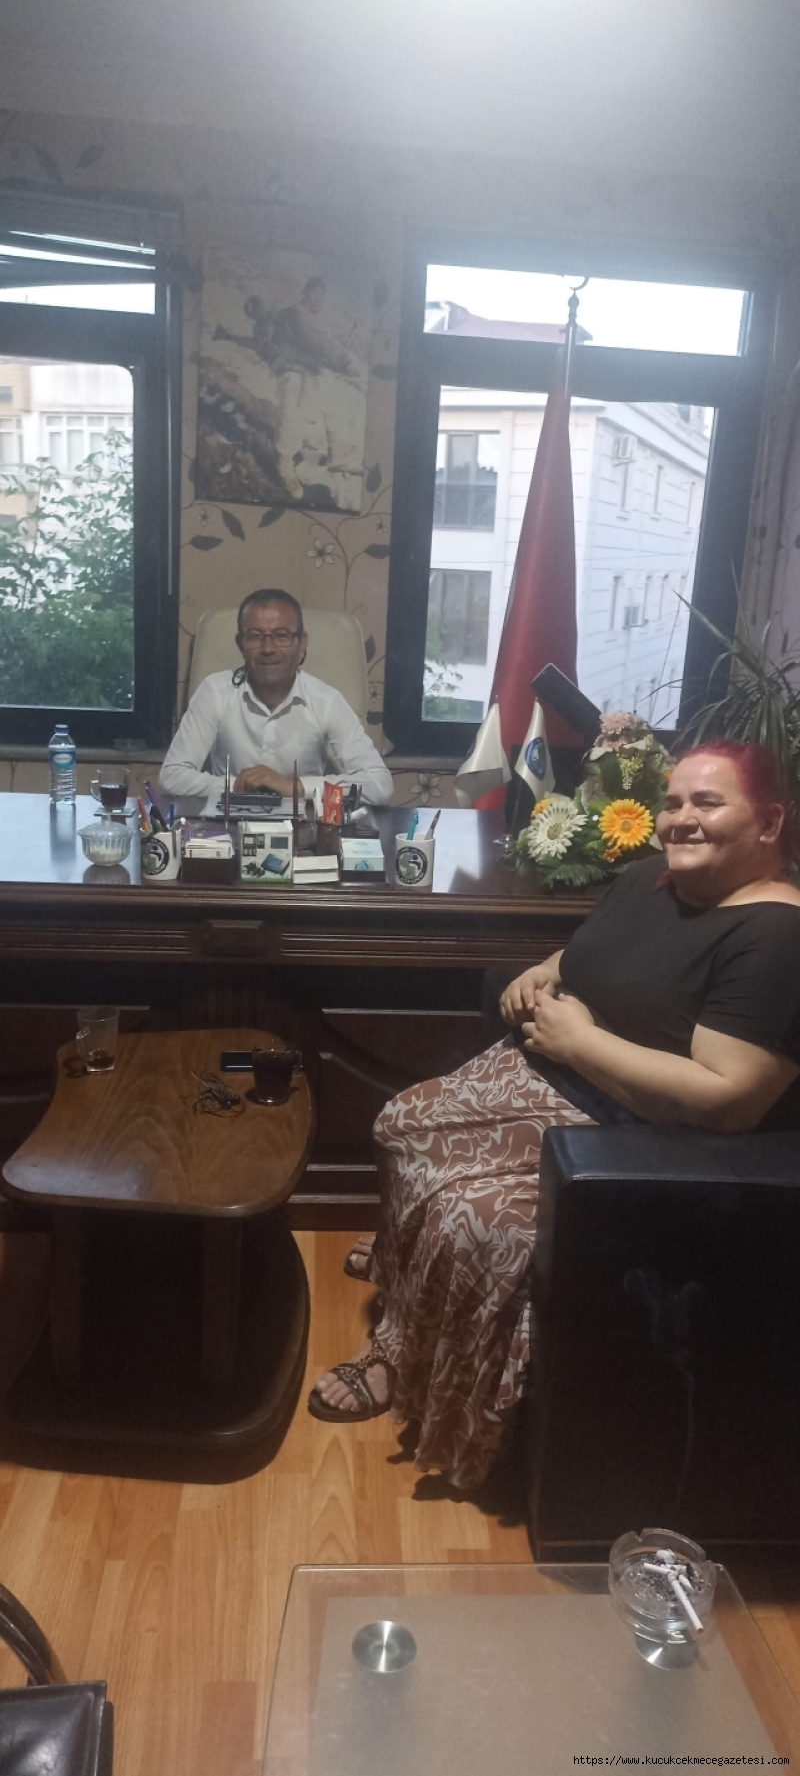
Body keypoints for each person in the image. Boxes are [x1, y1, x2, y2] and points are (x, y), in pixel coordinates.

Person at [309, 741, 800, 1490]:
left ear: (769, 822)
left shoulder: (777, 938)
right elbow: (587, 954)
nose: (680, 818)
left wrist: (583, 1043)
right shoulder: (653, 879)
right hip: (552, 1072)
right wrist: (543, 972)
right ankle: (412, 1273)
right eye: (672, 802)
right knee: (404, 1121)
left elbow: (729, 1099)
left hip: (631, 1136)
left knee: (472, 1217)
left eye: (707, 803)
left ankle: (402, 1361)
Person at [159, 589, 392, 804]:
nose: (268, 649)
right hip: (228, 822)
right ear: (241, 644)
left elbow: (380, 785)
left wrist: (295, 787)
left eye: (281, 636)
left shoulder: (327, 701)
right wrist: (240, 786)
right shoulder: (214, 691)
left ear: (301, 643)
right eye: (255, 636)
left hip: (304, 827)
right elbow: (171, 776)